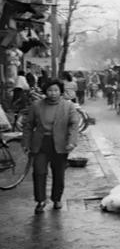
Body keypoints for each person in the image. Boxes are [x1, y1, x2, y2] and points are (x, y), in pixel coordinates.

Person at [22, 79, 79, 214]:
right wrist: (25, 143)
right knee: (39, 172)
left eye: (56, 90)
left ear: (60, 92)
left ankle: (57, 198)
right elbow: (28, 126)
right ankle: (40, 200)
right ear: (45, 92)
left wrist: (71, 142)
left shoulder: (68, 106)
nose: (53, 93)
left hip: (60, 145)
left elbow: (73, 125)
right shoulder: (36, 105)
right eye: (49, 90)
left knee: (58, 173)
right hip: (41, 144)